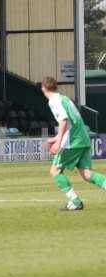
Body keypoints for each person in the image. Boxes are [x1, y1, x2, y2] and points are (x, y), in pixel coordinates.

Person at [42, 76, 106, 211]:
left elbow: (64, 120)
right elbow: (71, 122)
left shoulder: (54, 101)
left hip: (73, 141)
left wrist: (58, 142)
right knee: (86, 174)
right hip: (83, 138)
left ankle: (75, 202)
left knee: (55, 171)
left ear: (44, 88)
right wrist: (56, 138)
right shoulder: (65, 99)